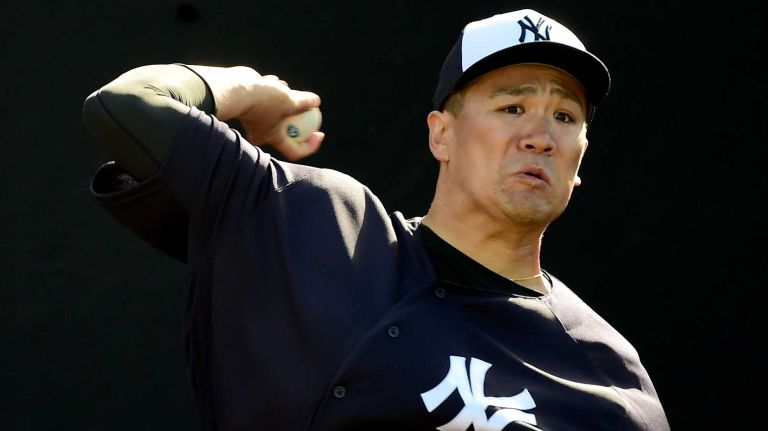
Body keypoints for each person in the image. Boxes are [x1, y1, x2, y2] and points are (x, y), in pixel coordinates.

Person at [82, 8, 670, 431]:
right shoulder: (324, 227)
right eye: (511, 106)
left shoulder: (608, 379)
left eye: (565, 116)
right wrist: (254, 92)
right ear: (442, 134)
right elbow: (130, 105)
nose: (539, 136)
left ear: (580, 157)